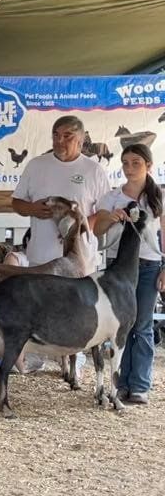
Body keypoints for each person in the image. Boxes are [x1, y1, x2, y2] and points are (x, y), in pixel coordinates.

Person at [93, 143, 164, 405]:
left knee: (142, 324)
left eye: (136, 162)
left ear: (148, 166)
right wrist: (111, 218)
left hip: (148, 266)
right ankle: (119, 384)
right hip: (118, 268)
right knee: (119, 325)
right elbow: (97, 229)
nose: (129, 168)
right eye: (125, 163)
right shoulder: (112, 197)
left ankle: (140, 385)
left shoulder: (159, 198)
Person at [11, 115, 110, 266]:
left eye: (67, 136)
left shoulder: (94, 170)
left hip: (80, 259)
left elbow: (105, 212)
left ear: (80, 140)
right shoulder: (35, 165)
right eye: (56, 135)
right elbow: (16, 203)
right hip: (41, 259)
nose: (59, 141)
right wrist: (32, 209)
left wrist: (77, 228)